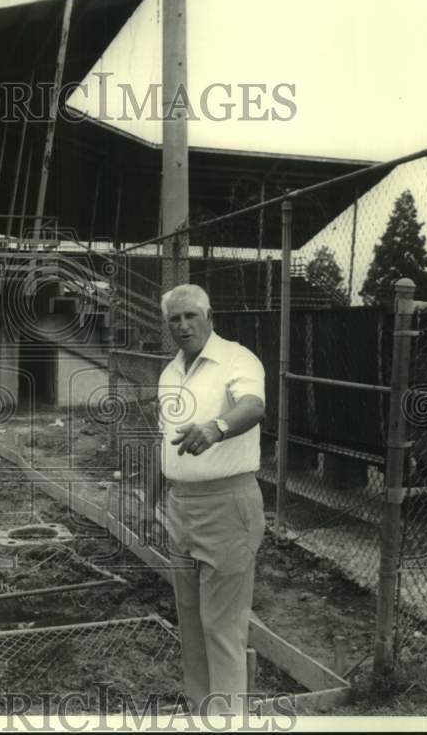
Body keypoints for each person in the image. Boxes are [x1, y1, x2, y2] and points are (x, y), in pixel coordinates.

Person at [144, 283, 267, 716]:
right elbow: (166, 444)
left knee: (223, 626)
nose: (182, 325)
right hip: (182, 506)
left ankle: (230, 719)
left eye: (190, 316)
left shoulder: (237, 359)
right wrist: (150, 500)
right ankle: (200, 713)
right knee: (192, 623)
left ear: (209, 315)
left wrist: (216, 428)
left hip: (228, 505)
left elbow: (252, 406)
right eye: (174, 319)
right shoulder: (170, 372)